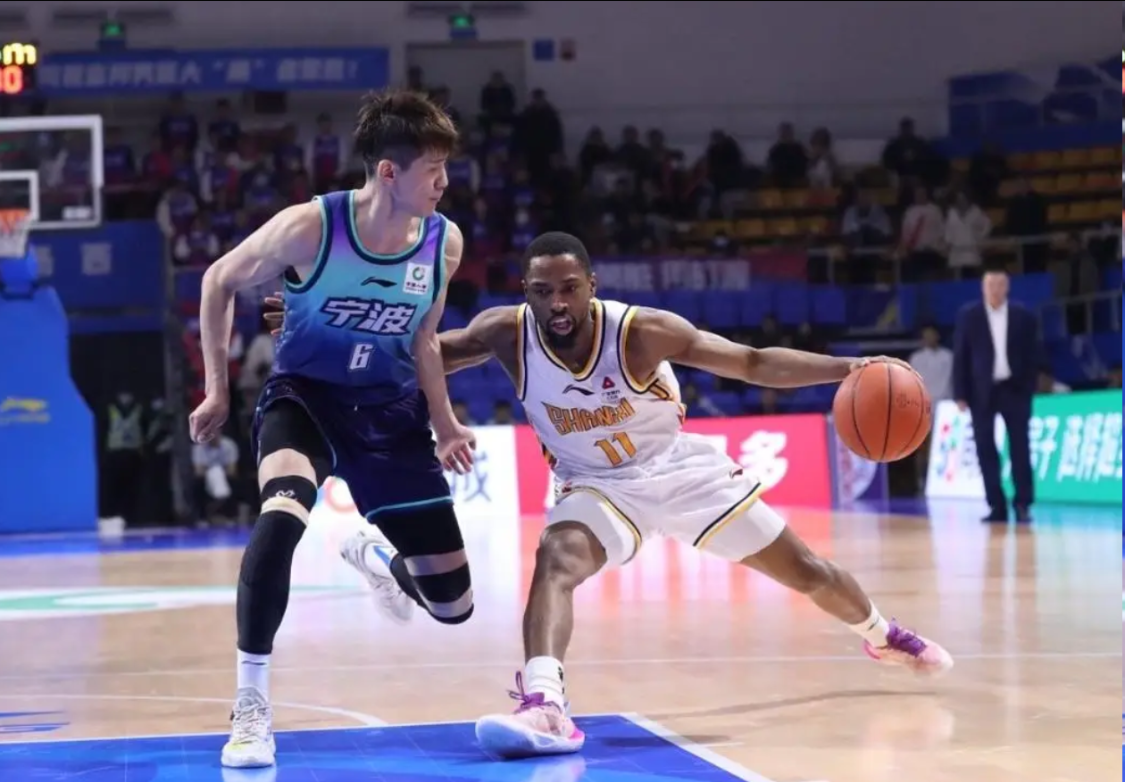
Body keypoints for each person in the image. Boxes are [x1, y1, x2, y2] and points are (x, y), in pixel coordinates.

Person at [271, 231, 954, 758]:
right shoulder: (508, 333)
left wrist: (849, 367)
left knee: (807, 572)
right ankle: (544, 702)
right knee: (555, 559)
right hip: (595, 485)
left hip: (677, 471)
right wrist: (319, 326)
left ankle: (881, 634)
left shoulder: (641, 332)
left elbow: (748, 362)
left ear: (591, 286)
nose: (557, 303)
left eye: (569, 289)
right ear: (526, 291)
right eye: (543, 291)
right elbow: (418, 352)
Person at [189, 88, 477, 770]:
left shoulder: (444, 243)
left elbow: (425, 339)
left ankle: (375, 558)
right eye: (433, 168)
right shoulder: (311, 228)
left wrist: (445, 424)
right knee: (280, 518)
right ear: (388, 172)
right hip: (306, 401)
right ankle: (251, 705)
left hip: (389, 415)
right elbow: (218, 281)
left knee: (453, 606)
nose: (444, 182)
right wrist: (217, 389)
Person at [953, 267, 1040, 523]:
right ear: (983, 287)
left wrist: (1030, 385)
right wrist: (960, 393)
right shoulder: (969, 316)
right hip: (981, 392)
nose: (995, 290)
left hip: (1015, 389)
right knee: (985, 449)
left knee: (1020, 448)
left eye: (1000, 284)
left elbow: (1034, 352)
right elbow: (961, 355)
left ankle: (1023, 504)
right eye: (990, 285)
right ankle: (996, 506)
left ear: (1007, 287)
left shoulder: (1023, 316)